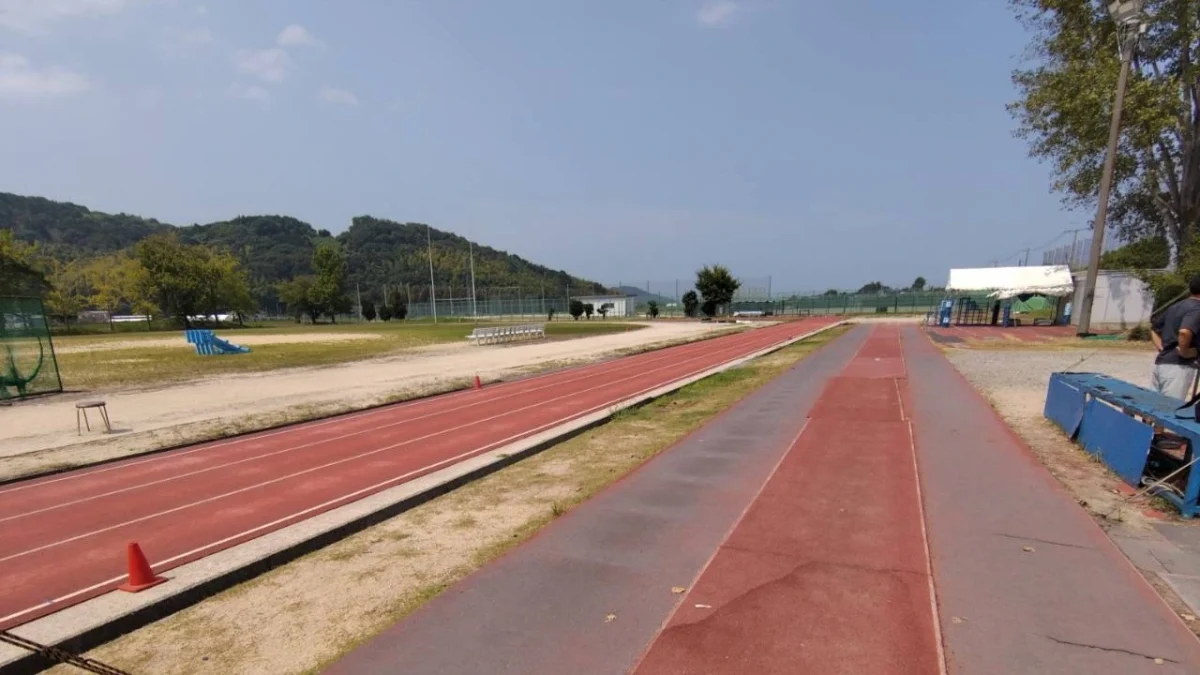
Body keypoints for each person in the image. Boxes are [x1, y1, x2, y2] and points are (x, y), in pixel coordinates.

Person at [1151, 275, 1200, 401]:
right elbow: (1184, 332)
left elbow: (1154, 329)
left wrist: (1162, 349)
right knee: (1168, 409)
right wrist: (1185, 352)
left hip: (1162, 363)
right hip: (1179, 367)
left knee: (1152, 407)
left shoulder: (1176, 306)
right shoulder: (1197, 309)